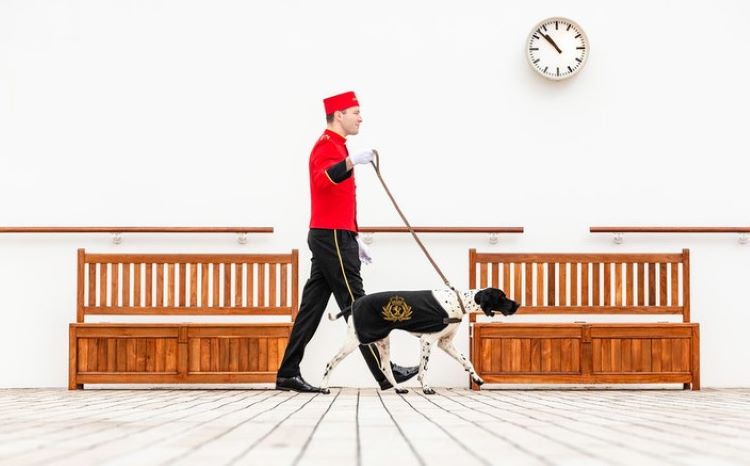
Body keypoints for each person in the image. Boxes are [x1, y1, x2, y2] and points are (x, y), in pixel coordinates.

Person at [275, 91, 418, 393]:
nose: (360, 117)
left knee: (312, 308)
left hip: (336, 234)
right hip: (332, 237)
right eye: (355, 112)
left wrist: (354, 234)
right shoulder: (327, 146)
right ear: (338, 114)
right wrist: (351, 162)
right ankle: (384, 373)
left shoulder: (338, 147)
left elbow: (338, 200)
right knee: (360, 305)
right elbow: (323, 181)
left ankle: (287, 373)